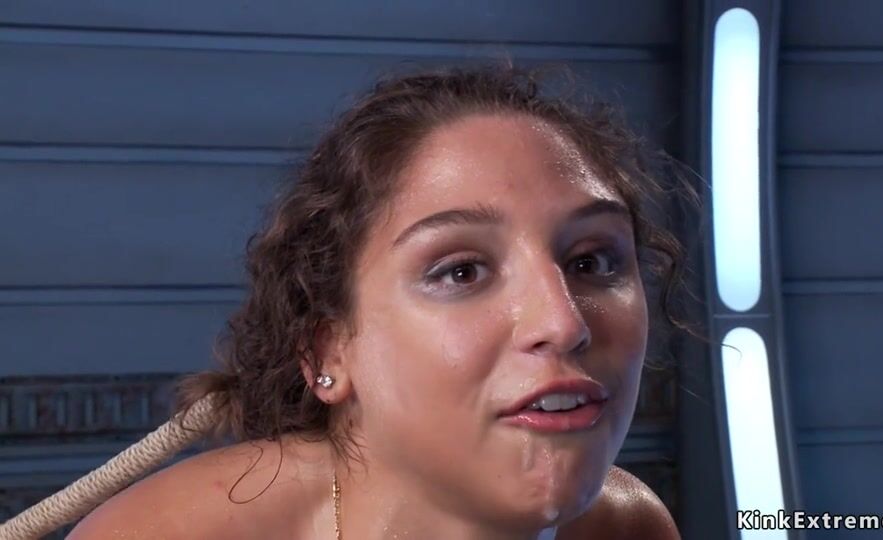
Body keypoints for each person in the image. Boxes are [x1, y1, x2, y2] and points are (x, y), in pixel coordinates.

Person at [64, 64, 691, 539]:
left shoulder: (627, 525)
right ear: (327, 352)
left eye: (591, 262)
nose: (564, 322)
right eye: (462, 272)